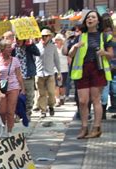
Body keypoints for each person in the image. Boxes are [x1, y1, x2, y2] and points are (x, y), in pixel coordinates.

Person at [69, 10, 113, 139]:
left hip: (97, 70)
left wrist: (104, 53)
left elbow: (111, 55)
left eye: (93, 17)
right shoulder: (80, 36)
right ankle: (84, 128)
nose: (90, 19)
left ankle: (96, 128)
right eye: (88, 17)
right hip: (82, 70)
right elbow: (70, 54)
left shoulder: (104, 37)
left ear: (98, 21)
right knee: (82, 101)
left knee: (96, 100)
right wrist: (75, 47)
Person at [0, 39, 25, 135]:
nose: (11, 49)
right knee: (2, 111)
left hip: (13, 87)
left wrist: (22, 88)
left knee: (10, 111)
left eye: (11, 46)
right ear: (2, 49)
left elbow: (19, 75)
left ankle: (10, 131)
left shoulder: (15, 60)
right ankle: (3, 127)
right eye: (8, 47)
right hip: (1, 88)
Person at [35, 29, 61, 118]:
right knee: (41, 93)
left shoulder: (53, 47)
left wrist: (59, 72)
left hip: (50, 73)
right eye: (42, 36)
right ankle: (43, 110)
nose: (44, 37)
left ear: (49, 37)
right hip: (39, 73)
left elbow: (56, 60)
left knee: (51, 92)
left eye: (46, 36)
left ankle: (51, 106)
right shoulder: (36, 47)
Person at [12, 38, 40, 117]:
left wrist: (31, 44)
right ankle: (18, 113)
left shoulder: (29, 47)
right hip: (16, 76)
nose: (18, 41)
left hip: (28, 75)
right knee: (17, 96)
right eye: (17, 39)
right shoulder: (13, 49)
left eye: (20, 39)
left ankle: (28, 113)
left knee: (29, 95)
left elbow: (37, 53)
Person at [54, 33, 69, 107]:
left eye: (59, 40)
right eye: (56, 40)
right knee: (56, 85)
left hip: (64, 68)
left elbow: (68, 56)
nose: (57, 41)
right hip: (55, 69)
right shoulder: (53, 48)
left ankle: (62, 96)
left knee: (62, 85)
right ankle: (57, 99)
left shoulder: (65, 47)